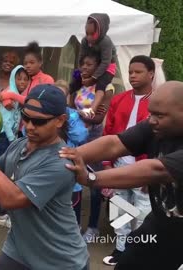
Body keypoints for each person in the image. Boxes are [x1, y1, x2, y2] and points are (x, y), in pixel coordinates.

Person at [0, 84, 89, 270]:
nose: (30, 126)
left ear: (60, 120)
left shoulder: (61, 162)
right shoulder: (19, 145)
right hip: (19, 249)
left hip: (60, 259)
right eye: (26, 118)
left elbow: (11, 199)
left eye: (39, 122)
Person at [59, 81, 183, 270]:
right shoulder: (156, 126)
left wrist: (92, 178)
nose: (151, 120)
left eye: (160, 115)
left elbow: (156, 169)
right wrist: (63, 158)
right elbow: (114, 144)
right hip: (163, 224)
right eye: (151, 113)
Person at [99, 56, 155, 266]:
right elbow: (108, 132)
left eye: (138, 72)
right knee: (120, 210)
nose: (132, 75)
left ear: (151, 74)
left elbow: (163, 139)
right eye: (130, 71)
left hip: (145, 167)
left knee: (143, 214)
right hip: (120, 166)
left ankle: (140, 253)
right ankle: (121, 250)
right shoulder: (119, 99)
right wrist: (107, 163)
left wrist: (153, 173)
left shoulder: (158, 102)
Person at [71, 51, 115, 242]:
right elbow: (70, 110)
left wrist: (77, 115)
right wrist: (82, 115)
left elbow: (98, 117)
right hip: (76, 140)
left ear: (99, 68)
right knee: (75, 184)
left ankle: (93, 226)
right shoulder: (77, 87)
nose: (85, 68)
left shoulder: (106, 88)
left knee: (95, 183)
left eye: (90, 65)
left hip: (95, 142)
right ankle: (75, 226)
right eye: (83, 64)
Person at [0, 65, 30, 228]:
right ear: (13, 78)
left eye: (25, 79)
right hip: (4, 139)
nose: (22, 82)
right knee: (5, 179)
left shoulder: (12, 94)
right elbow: (6, 122)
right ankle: (2, 214)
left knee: (1, 175)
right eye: (18, 78)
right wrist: (13, 140)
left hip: (8, 138)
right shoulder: (8, 96)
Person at [70, 13, 118, 118]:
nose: (89, 37)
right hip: (92, 64)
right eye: (87, 33)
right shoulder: (84, 41)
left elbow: (106, 61)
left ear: (101, 31)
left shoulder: (106, 42)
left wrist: (93, 78)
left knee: (101, 84)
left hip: (108, 66)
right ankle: (67, 104)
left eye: (92, 34)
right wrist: (81, 72)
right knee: (75, 79)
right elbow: (81, 58)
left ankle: (92, 109)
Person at [55, 80, 89, 227]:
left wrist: (66, 120)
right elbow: (27, 132)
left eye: (63, 96)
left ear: (68, 98)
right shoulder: (43, 116)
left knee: (71, 218)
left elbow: (81, 136)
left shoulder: (73, 116)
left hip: (71, 177)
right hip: (50, 173)